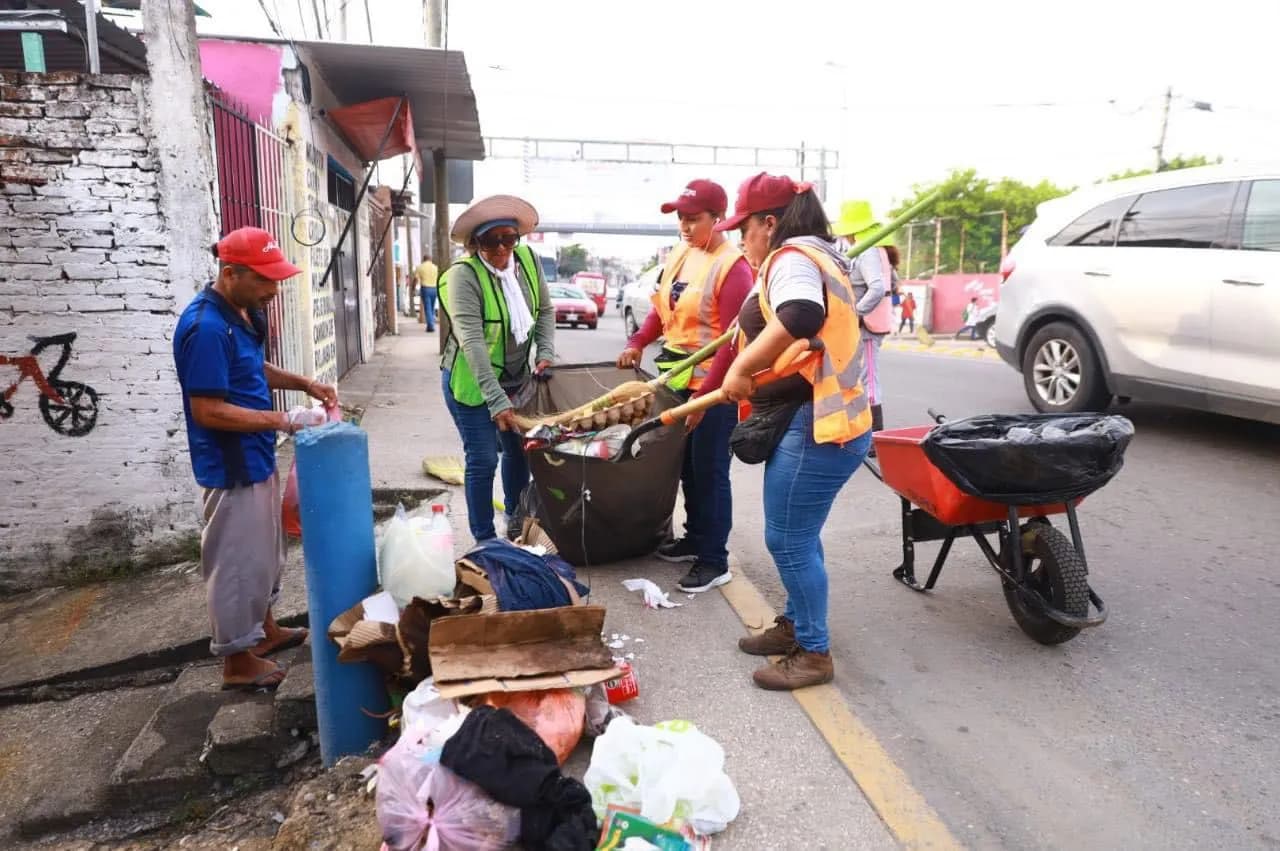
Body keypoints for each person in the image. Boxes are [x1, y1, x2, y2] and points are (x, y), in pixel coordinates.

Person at [717, 174, 874, 691]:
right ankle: (795, 628)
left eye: (745, 228)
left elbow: (803, 316)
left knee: (787, 539)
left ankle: (813, 652)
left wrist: (742, 369)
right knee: (800, 537)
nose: (742, 240)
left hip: (821, 422)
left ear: (770, 222)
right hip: (827, 417)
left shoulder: (792, 259)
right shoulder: (821, 254)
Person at [173, 227, 339, 691]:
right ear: (231, 273)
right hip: (230, 465)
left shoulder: (242, 313)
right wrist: (284, 420)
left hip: (256, 453)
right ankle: (237, 661)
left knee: (266, 552)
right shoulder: (205, 327)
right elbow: (207, 410)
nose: (274, 289)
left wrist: (304, 383)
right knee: (235, 561)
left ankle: (263, 629)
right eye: (266, 280)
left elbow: (252, 368)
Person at [616, 179, 754, 593]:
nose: (685, 226)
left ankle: (715, 559)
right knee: (687, 470)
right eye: (681, 218)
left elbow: (732, 342)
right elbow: (661, 310)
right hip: (678, 380)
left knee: (711, 473)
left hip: (714, 389)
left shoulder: (734, 268)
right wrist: (637, 341)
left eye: (694, 219)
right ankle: (695, 538)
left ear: (718, 219)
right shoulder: (681, 254)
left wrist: (704, 401)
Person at [438, 195, 555, 542]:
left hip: (517, 379)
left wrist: (545, 351)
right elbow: (472, 343)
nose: (503, 248)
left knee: (520, 453)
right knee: (484, 459)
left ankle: (517, 522)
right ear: (476, 244)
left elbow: (545, 311)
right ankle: (485, 540)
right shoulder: (463, 277)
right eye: (492, 240)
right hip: (470, 383)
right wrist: (495, 398)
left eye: (509, 238)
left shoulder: (527, 261)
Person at [831, 200, 895, 452]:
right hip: (864, 324)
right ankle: (863, 434)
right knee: (859, 376)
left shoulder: (867, 251)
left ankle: (874, 439)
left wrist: (856, 313)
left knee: (868, 379)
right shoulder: (870, 248)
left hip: (867, 325)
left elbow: (877, 287)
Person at [415, 256, 440, 331]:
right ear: (430, 259)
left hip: (425, 288)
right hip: (435, 289)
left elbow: (416, 278)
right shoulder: (435, 267)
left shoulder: (420, 267)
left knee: (428, 308)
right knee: (432, 307)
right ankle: (430, 324)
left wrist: (413, 287)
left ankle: (431, 326)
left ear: (423, 259)